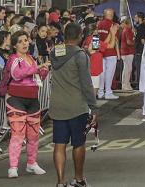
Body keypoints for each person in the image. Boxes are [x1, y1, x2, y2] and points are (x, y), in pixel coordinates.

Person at [50, 22, 97, 187]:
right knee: (78, 143)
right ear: (80, 36)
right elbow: (86, 83)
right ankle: (78, 179)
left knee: (59, 144)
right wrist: (94, 107)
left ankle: (60, 181)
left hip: (57, 106)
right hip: (77, 106)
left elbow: (61, 53)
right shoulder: (80, 55)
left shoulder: (54, 52)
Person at [6, 31, 51, 178]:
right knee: (17, 134)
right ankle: (13, 167)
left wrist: (44, 69)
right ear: (14, 45)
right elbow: (17, 75)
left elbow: (37, 78)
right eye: (20, 41)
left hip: (33, 100)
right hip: (16, 100)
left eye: (26, 40)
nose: (25, 43)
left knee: (34, 135)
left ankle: (32, 163)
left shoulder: (31, 58)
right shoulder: (13, 59)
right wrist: (38, 67)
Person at [95, 9, 119, 100]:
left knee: (102, 72)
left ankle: (100, 92)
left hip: (99, 51)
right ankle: (108, 91)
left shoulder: (99, 24)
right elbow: (114, 40)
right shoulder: (112, 24)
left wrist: (98, 47)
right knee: (109, 73)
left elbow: (96, 39)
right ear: (111, 15)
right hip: (110, 51)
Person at [118, 17, 135, 91]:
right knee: (128, 69)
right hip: (128, 51)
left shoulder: (124, 30)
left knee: (126, 69)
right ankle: (126, 85)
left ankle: (125, 84)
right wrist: (134, 42)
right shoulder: (127, 30)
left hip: (124, 51)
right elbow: (129, 42)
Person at [131, 12, 145, 89]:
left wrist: (143, 49)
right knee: (138, 67)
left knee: (139, 68)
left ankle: (139, 84)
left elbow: (142, 40)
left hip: (139, 50)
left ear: (139, 18)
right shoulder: (140, 27)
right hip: (138, 50)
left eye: (136, 17)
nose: (134, 18)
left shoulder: (142, 27)